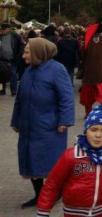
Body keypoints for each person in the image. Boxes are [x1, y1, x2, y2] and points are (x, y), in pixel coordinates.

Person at [36, 105, 102, 217]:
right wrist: (43, 212)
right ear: (86, 130)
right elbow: (52, 184)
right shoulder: (71, 156)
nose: (98, 135)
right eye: (93, 130)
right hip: (73, 213)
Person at [11, 38, 75, 208]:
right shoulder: (29, 70)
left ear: (39, 53)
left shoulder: (57, 70)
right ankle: (39, 194)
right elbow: (20, 98)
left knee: (50, 162)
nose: (23, 55)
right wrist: (15, 120)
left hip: (49, 126)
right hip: (28, 125)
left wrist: (65, 121)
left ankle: (55, 192)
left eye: (27, 52)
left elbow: (67, 98)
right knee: (30, 160)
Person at [79, 24, 102, 118]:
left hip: (89, 73)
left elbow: (82, 55)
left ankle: (88, 113)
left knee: (88, 97)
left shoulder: (87, 42)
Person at [0, 23, 24, 95]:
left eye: (4, 29)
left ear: (9, 29)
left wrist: (19, 54)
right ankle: (1, 90)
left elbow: (21, 45)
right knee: (1, 75)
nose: (2, 31)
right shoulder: (0, 36)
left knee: (13, 74)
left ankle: (13, 91)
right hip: (2, 59)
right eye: (2, 29)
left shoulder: (16, 36)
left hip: (12, 59)